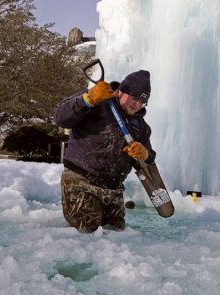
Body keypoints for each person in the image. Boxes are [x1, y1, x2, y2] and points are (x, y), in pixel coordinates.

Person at [53, 70, 156, 233]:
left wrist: (145, 154)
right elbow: (60, 117)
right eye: (135, 98)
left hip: (114, 190)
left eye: (143, 102)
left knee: (117, 238)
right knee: (87, 233)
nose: (137, 105)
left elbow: (148, 160)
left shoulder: (141, 127)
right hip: (81, 182)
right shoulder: (97, 98)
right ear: (123, 90)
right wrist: (86, 100)